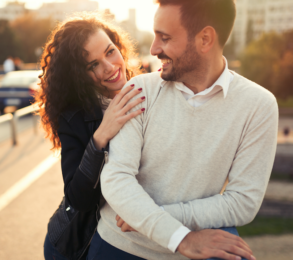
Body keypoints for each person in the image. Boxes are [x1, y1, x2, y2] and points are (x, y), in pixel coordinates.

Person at [88, 0, 278, 260]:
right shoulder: (140, 89)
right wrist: (181, 237)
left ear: (205, 39)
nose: (154, 49)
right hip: (119, 246)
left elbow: (242, 202)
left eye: (164, 38)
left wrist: (153, 219)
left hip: (192, 250)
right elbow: (116, 178)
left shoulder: (259, 105)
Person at [35, 13, 144, 260]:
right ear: (79, 75)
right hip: (73, 245)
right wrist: (101, 135)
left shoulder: (145, 91)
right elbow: (78, 198)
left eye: (110, 52)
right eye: (92, 65)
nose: (109, 67)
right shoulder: (74, 117)